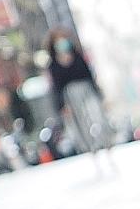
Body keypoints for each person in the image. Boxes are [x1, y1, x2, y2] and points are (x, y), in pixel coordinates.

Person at [47, 30, 116, 171]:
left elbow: (90, 76)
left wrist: (100, 95)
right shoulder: (53, 65)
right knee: (82, 126)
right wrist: (62, 106)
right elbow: (57, 88)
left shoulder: (78, 56)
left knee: (98, 118)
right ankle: (93, 152)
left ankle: (107, 147)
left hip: (88, 92)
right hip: (71, 98)